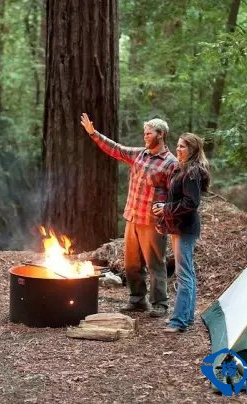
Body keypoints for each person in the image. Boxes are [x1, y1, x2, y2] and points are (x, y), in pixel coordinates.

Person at [80, 113, 178, 317]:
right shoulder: (140, 155)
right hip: (132, 217)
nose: (145, 136)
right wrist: (93, 133)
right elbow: (116, 149)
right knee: (132, 263)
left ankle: (160, 303)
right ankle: (137, 300)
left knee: (155, 263)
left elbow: (175, 194)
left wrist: (167, 213)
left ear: (161, 135)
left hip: (153, 222)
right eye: (144, 133)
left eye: (149, 133)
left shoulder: (171, 163)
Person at [152, 133, 210, 332]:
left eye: (182, 147)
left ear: (192, 150)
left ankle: (179, 321)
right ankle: (186, 317)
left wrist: (166, 209)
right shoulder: (183, 168)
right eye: (177, 146)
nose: (178, 150)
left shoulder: (192, 171)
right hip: (180, 226)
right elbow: (179, 198)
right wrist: (164, 206)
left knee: (184, 274)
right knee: (187, 273)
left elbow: (191, 203)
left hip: (185, 227)